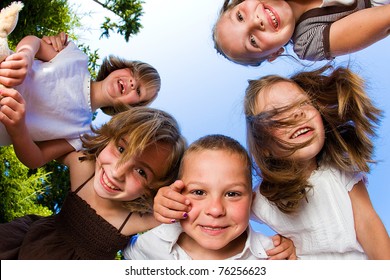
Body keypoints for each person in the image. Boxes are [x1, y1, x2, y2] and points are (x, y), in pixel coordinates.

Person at [153, 65, 390, 259]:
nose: (296, 115)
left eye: (302, 104)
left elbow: (370, 227)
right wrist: (168, 201)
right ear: (264, 146)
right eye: (277, 115)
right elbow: (219, 208)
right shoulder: (262, 198)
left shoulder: (340, 174)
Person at [0, 107, 186, 259]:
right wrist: (18, 131)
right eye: (121, 149)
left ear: (152, 189)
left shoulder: (136, 219)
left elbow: (191, 216)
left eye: (141, 172)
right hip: (22, 241)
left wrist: (166, 202)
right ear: (108, 138)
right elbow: (36, 157)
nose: (117, 172)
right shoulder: (83, 165)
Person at [0, 32, 161, 168]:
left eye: (139, 90)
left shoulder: (82, 133)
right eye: (133, 73)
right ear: (122, 67)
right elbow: (34, 41)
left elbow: (37, 159)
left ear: (132, 106)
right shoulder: (76, 57)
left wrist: (18, 131)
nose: (132, 82)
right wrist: (26, 54)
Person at [124, 134, 297, 260]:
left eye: (232, 194)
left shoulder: (275, 257)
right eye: (199, 192)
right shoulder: (146, 246)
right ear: (176, 194)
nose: (215, 210)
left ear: (252, 201)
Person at [212, 0, 390, 66]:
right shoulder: (308, 42)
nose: (256, 22)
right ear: (274, 53)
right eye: (252, 40)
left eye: (240, 16)